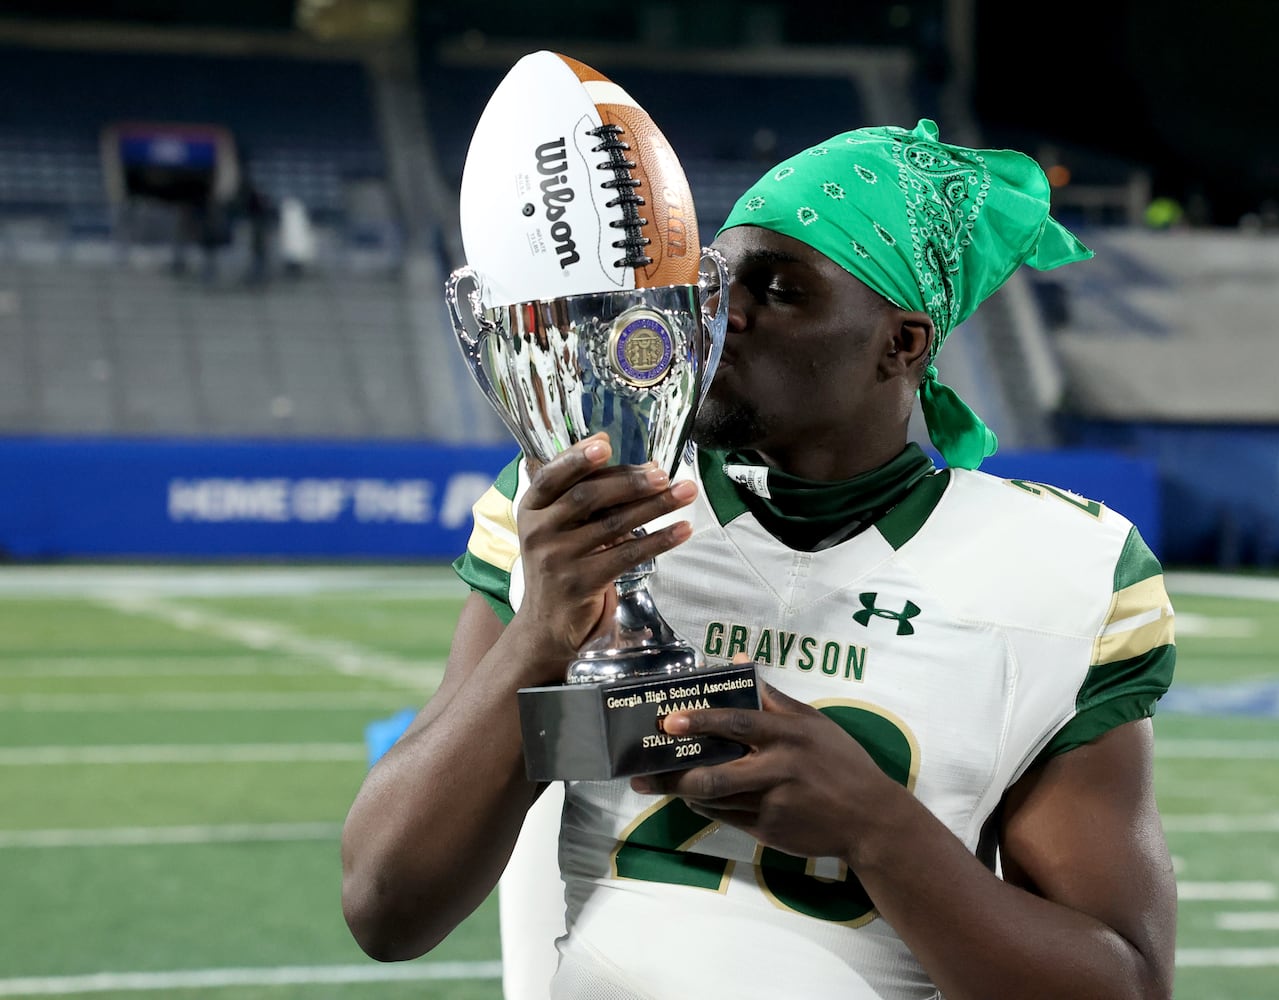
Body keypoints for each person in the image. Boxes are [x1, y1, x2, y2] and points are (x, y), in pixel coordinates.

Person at [341, 119, 1178, 999]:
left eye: (779, 290)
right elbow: (387, 908)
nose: (720, 314)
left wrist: (876, 827)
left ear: (903, 344)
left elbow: (1123, 983)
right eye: (715, 280)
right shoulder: (588, 508)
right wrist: (540, 637)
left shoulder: (1066, 568)